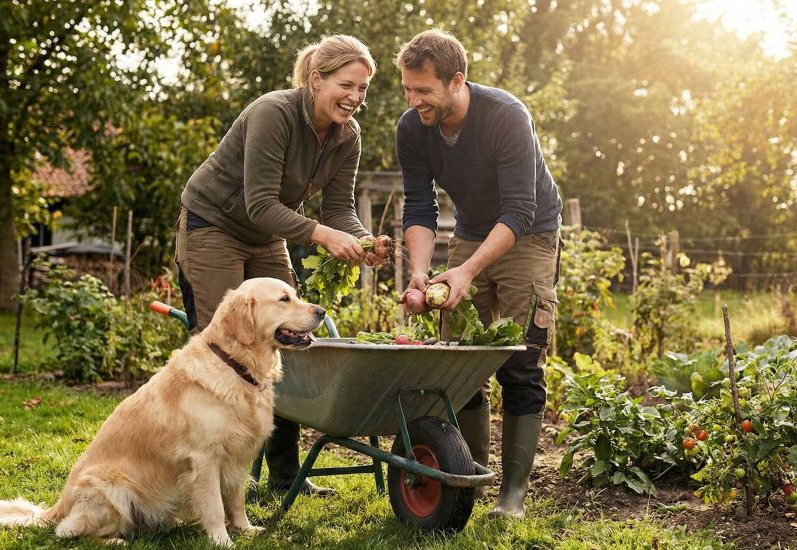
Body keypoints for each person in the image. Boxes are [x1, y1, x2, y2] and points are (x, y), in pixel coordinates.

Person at [176, 34, 387, 496]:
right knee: (223, 348)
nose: (355, 97)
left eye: (362, 89)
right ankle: (215, 474)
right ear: (316, 80)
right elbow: (259, 203)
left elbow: (339, 209)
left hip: (266, 233)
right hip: (214, 225)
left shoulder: (347, 136)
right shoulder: (274, 113)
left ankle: (286, 475)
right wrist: (322, 235)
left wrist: (361, 239)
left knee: (287, 337)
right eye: (346, 85)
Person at [394, 29, 563, 518]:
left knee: (520, 362)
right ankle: (470, 477)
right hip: (471, 231)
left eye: (424, 90)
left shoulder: (506, 116)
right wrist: (420, 273)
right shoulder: (412, 128)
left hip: (528, 233)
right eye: (408, 89)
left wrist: (466, 271)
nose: (414, 101)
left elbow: (520, 209)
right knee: (459, 363)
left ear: (457, 81)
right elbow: (420, 206)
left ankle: (512, 495)